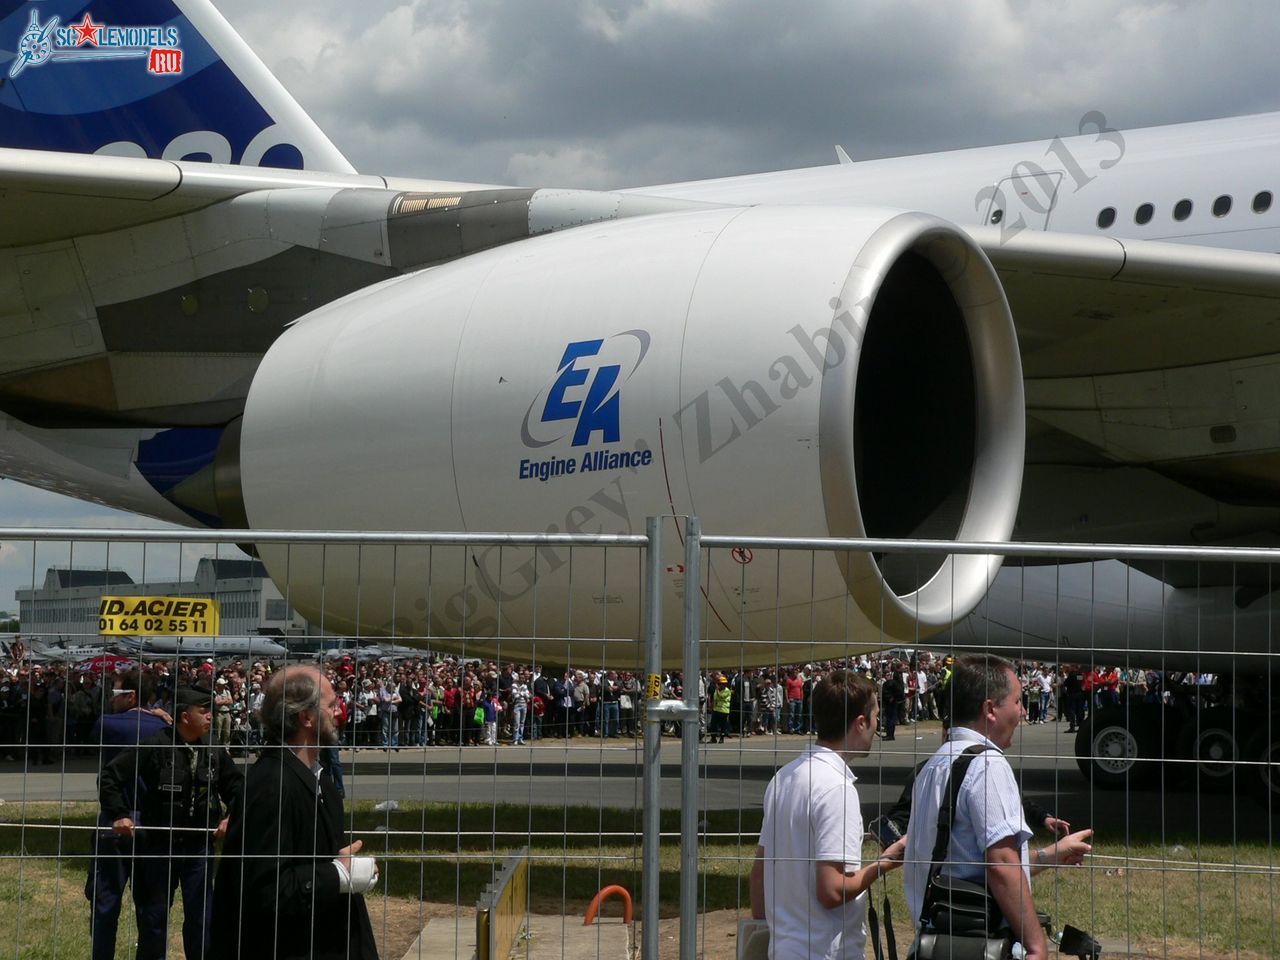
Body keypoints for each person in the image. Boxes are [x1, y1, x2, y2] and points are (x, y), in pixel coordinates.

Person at [904, 655, 1093, 960]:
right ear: (990, 709)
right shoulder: (988, 765)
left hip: (938, 941)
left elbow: (964, 862)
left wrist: (1051, 854)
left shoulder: (934, 765)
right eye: (1017, 701)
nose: (1022, 711)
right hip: (980, 944)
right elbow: (1001, 864)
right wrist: (1036, 946)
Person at [212, 665, 378, 960]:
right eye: (331, 705)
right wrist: (338, 875)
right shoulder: (270, 785)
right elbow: (264, 889)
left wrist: (344, 868)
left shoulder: (321, 780)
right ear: (307, 717)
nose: (340, 711)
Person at [749, 670, 907, 960]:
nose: (877, 725)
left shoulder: (784, 777)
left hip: (784, 948)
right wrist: (884, 864)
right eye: (875, 716)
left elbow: (759, 873)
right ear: (860, 723)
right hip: (824, 950)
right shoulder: (837, 789)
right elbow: (832, 891)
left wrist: (771, 933)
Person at [100, 684, 243, 960]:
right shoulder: (155, 745)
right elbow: (111, 777)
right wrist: (120, 814)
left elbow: (237, 788)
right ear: (184, 716)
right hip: (158, 847)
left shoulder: (213, 750)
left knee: (202, 918)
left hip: (199, 847)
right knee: (153, 917)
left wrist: (232, 816)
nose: (210, 717)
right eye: (204, 712)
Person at [86, 668, 171, 960]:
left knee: (105, 900)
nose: (111, 699)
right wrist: (156, 714)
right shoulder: (163, 728)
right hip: (153, 820)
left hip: (114, 816)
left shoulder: (107, 724)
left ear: (131, 695)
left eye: (115, 692)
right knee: (151, 904)